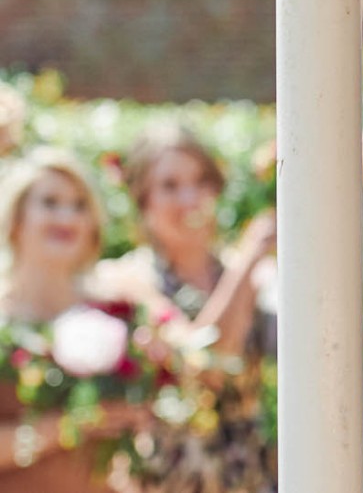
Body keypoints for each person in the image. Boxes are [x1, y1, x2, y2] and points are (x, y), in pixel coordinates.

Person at [96, 124, 276, 493]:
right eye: (170, 186)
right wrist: (251, 258)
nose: (190, 198)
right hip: (169, 478)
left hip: (251, 477)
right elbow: (204, 363)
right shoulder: (127, 280)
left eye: (201, 182)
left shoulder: (258, 275)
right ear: (144, 200)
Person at [0, 149, 147, 492]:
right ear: (18, 217)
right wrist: (64, 427)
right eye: (50, 203)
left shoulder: (118, 309)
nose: (67, 217)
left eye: (80, 205)